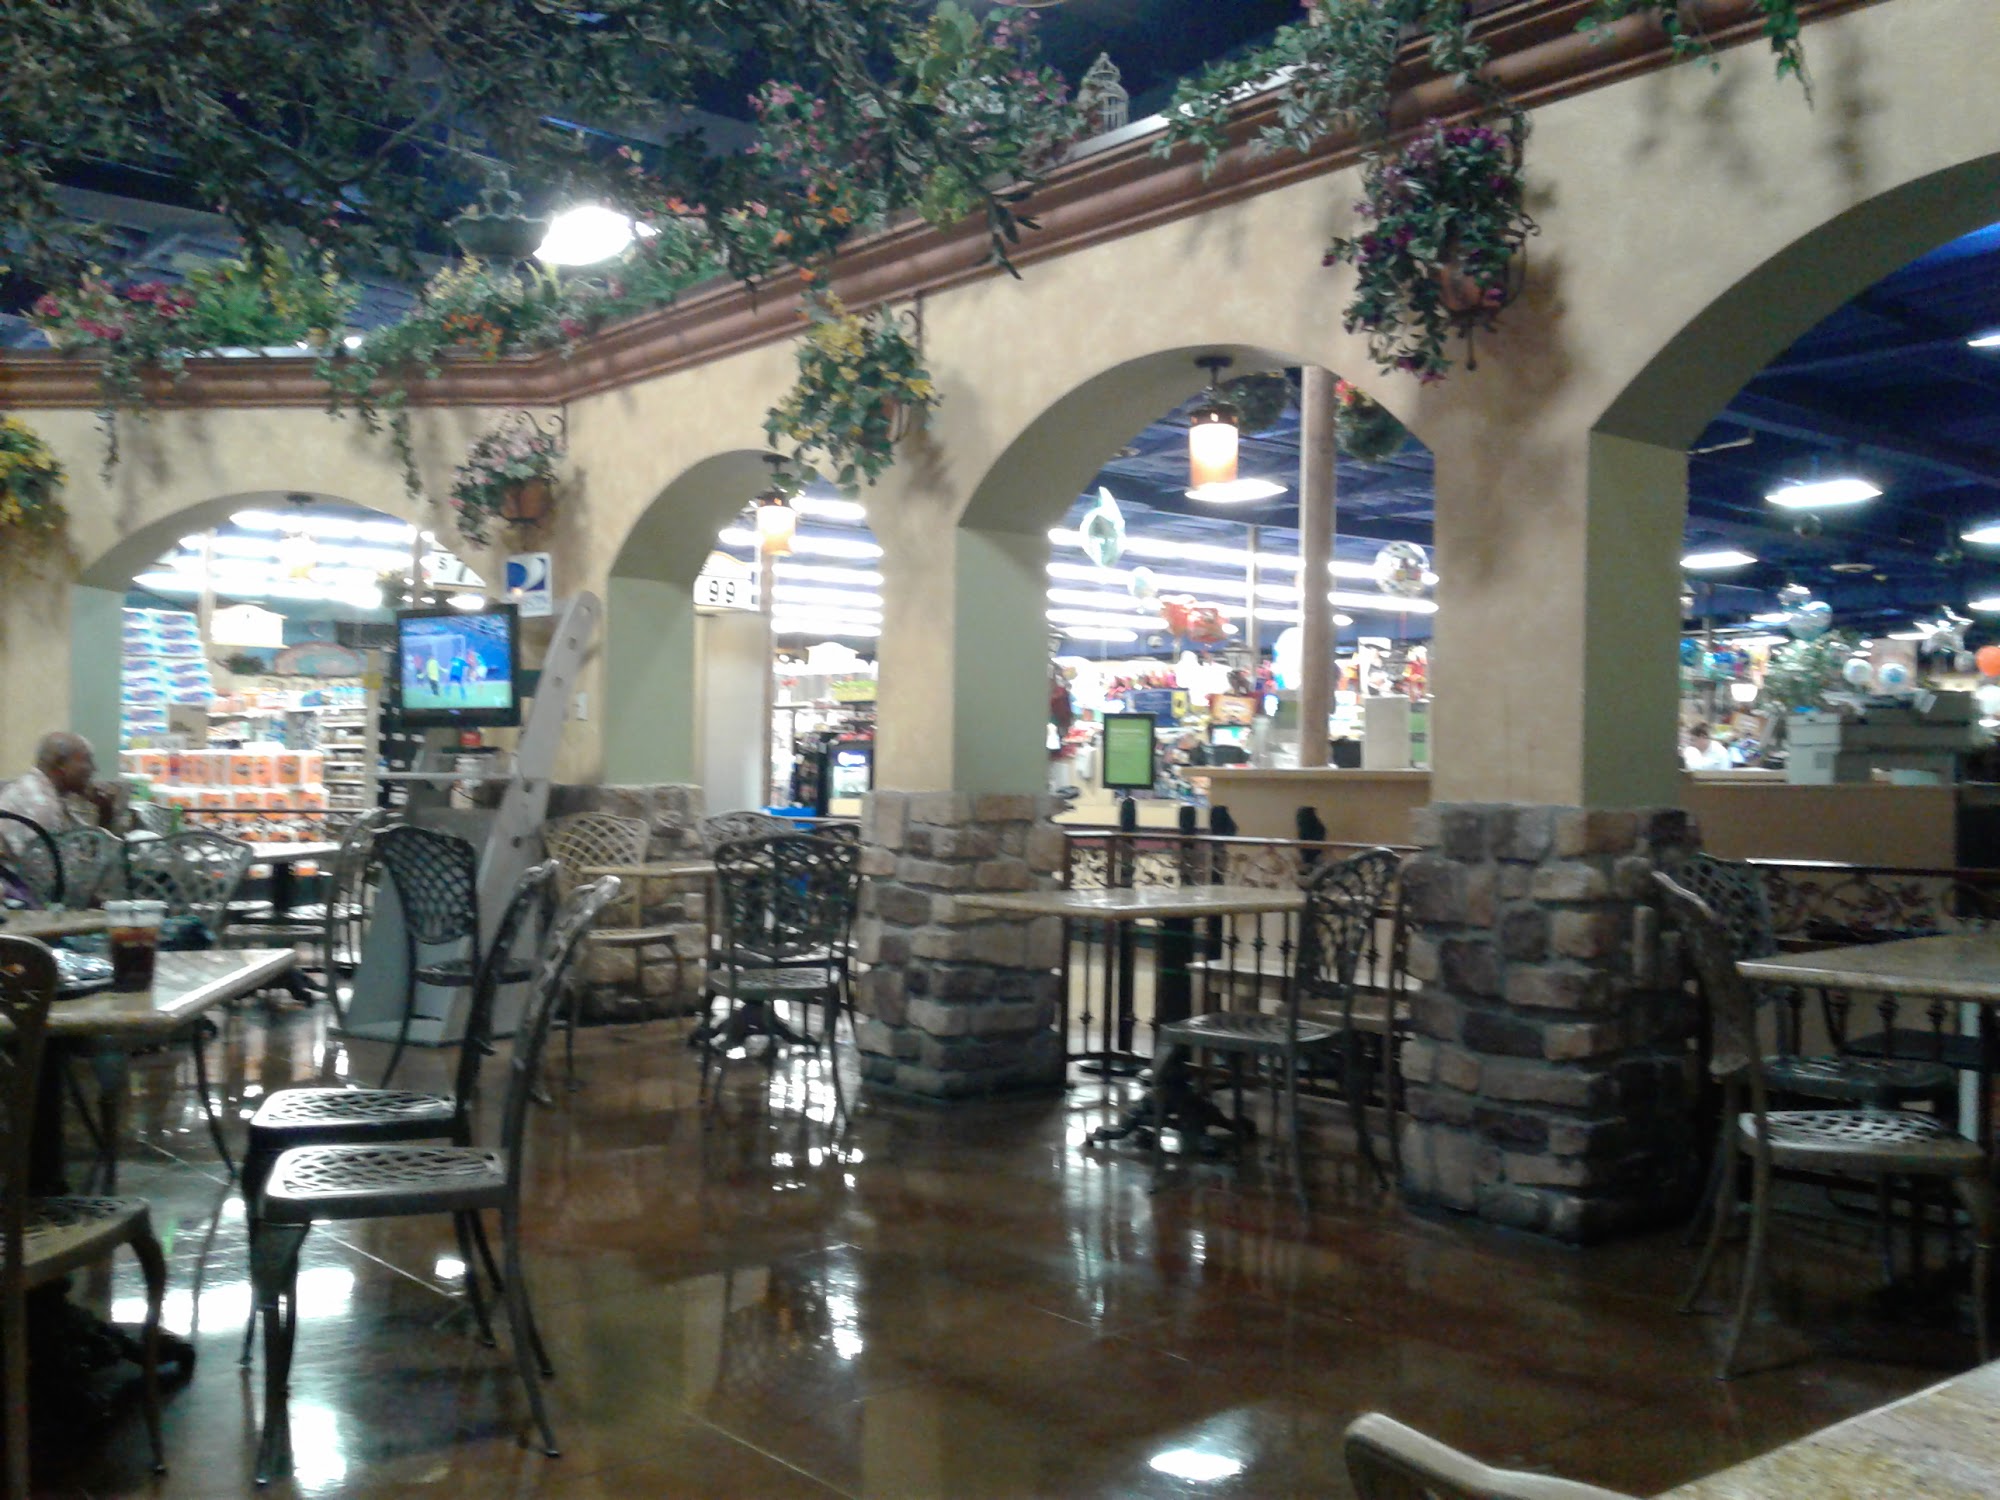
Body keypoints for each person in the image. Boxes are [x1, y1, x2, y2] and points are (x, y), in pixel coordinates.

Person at [0, 731, 128, 855]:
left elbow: (84, 846)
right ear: (60, 764)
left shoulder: (41, 790)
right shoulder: (42, 805)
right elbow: (74, 865)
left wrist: (105, 812)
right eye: (87, 761)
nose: (94, 769)